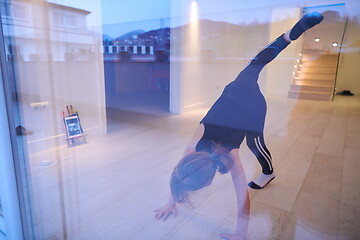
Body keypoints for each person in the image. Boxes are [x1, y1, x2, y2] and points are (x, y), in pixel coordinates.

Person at [154, 12, 324, 240]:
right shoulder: (194, 144)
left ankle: (269, 172)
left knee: (256, 144)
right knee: (257, 62)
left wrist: (241, 234)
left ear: (212, 176)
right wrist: (169, 203)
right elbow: (179, 176)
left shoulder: (230, 155)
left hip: (252, 106)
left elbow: (242, 197)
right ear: (191, 157)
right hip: (235, 88)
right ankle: (288, 36)